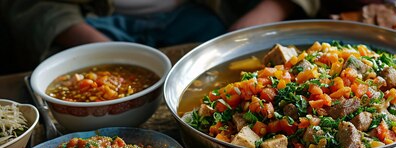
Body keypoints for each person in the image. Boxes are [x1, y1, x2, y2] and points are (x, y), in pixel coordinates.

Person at [0, 0, 319, 72]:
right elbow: (33, 7)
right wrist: (107, 52)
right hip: (95, 22)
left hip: (209, 15)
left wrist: (272, 8)